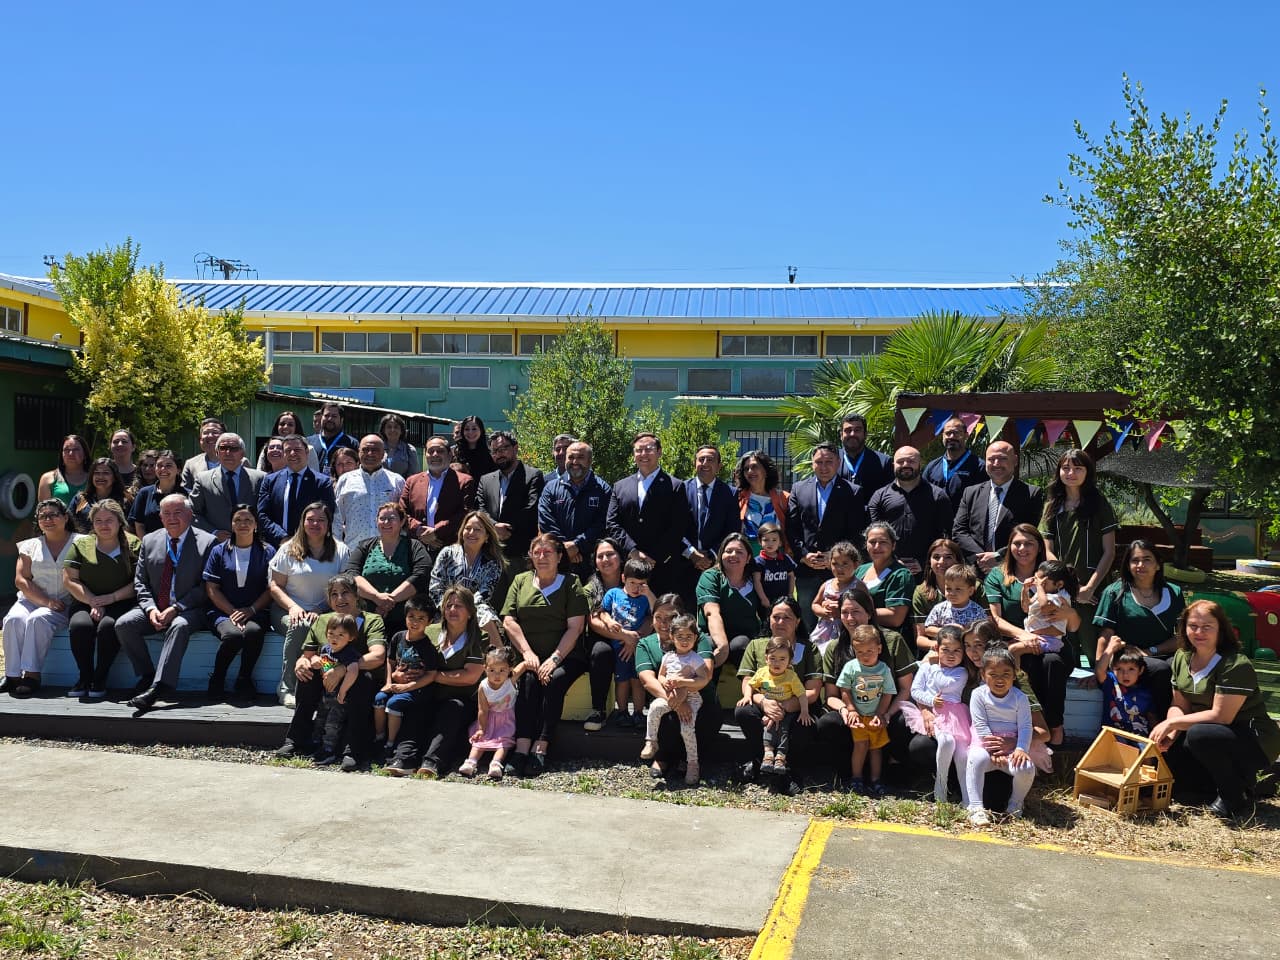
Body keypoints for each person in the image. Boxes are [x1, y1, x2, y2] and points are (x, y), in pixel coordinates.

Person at [1151, 600, 1280, 819]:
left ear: (1221, 629)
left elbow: (1222, 716)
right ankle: (1229, 785)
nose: (1199, 632)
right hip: (1211, 735)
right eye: (1193, 626)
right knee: (1180, 784)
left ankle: (1235, 796)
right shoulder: (1182, 658)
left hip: (1253, 738)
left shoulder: (1235, 664)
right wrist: (1171, 734)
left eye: (1207, 626)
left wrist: (1172, 723)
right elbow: (1179, 705)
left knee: (1199, 734)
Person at [115, 494, 217, 713]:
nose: (172, 518)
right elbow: (140, 582)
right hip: (154, 607)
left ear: (190, 515)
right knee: (124, 624)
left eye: (178, 512)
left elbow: (206, 587)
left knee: (179, 625)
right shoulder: (150, 540)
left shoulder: (207, 542)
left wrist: (176, 608)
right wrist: (151, 609)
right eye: (167, 513)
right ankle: (147, 676)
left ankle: (160, 687)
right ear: (160, 517)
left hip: (190, 609)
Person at [276, 574, 385, 769]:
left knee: (364, 679)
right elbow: (307, 655)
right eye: (334, 594)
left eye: (345, 593)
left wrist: (342, 669)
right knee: (307, 675)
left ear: (356, 595)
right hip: (326, 679)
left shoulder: (371, 620)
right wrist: (301, 663)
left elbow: (377, 656)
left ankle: (353, 749)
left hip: (356, 679)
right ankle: (296, 740)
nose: (340, 599)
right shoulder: (322, 620)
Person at [502, 534, 590, 776]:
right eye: (537, 552)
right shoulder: (520, 581)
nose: (542, 557)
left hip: (566, 655)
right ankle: (521, 749)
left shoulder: (572, 583)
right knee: (529, 681)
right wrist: (528, 653)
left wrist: (554, 659)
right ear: (530, 555)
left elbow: (576, 627)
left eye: (548, 552)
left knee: (553, 680)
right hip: (530, 655)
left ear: (559, 556)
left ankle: (541, 746)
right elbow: (509, 621)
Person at [984, 523, 1079, 746]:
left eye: (1029, 543)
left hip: (1052, 641)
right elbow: (995, 619)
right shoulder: (998, 576)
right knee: (1029, 665)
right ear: (1009, 547)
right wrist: (1025, 636)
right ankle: (1028, 728)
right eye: (1017, 543)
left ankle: (1054, 725)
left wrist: (1069, 612)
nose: (1022, 548)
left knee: (1052, 662)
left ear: (1039, 547)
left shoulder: (1051, 576)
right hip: (1014, 640)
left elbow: (1072, 625)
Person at [814, 585, 918, 786]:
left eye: (856, 612)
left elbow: (906, 689)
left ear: (869, 613)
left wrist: (885, 714)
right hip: (854, 709)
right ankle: (850, 772)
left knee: (903, 721)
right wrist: (846, 710)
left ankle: (891, 768)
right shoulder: (835, 647)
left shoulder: (892, 641)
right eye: (844, 612)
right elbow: (832, 695)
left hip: (885, 707)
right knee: (829, 723)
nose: (850, 618)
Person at [386, 585, 487, 778]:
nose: (452, 610)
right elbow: (403, 658)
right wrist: (398, 675)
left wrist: (432, 676)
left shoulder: (479, 638)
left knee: (452, 710)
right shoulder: (429, 632)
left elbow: (470, 676)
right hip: (425, 692)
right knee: (416, 707)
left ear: (470, 612)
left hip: (461, 698)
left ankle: (432, 762)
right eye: (448, 606)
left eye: (459, 606)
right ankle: (403, 758)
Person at [268, 501, 350, 707]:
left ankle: (325, 688)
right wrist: (293, 607)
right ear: (303, 522)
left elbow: (344, 588)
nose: (315, 524)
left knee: (322, 630)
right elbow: (275, 586)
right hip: (286, 609)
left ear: (329, 523)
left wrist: (322, 609)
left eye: (321, 520)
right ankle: (286, 687)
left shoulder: (341, 550)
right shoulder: (288, 549)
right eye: (310, 519)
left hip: (325, 611)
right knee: (300, 625)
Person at [735, 597, 823, 788]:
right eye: (776, 617)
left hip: (796, 705)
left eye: (787, 618)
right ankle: (761, 761)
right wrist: (764, 703)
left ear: (798, 621)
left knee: (804, 724)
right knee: (743, 711)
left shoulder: (809, 649)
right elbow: (748, 681)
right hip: (764, 703)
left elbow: (813, 691)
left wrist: (784, 706)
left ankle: (789, 768)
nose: (780, 622)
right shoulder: (756, 646)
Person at [1041, 447, 1117, 664]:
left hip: (1093, 590)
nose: (1071, 473)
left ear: (1088, 472)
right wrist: (1070, 586)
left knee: (1095, 648)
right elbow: (1048, 550)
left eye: (1077, 468)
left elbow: (1109, 551)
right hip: (1063, 589)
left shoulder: (1099, 504)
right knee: (1065, 646)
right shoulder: (1052, 506)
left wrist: (1089, 588)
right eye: (1066, 468)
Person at [1093, 538, 1184, 717]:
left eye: (1147, 559)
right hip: (1128, 657)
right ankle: (1158, 724)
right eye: (1135, 560)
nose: (1140, 565)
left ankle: (1180, 726)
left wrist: (1150, 651)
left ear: (1158, 565)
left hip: (1162, 653)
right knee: (1160, 669)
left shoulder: (1174, 592)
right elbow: (1105, 634)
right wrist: (1098, 668)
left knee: (1179, 667)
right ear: (1128, 565)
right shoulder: (1114, 592)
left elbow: (1181, 637)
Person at [635, 595, 719, 781]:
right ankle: (662, 756)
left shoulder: (698, 638)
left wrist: (683, 691)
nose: (664, 623)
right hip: (667, 697)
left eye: (671, 617)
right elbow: (648, 680)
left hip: (700, 697)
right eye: (659, 617)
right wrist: (677, 702)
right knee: (665, 713)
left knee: (696, 719)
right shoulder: (645, 643)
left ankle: (688, 760)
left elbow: (707, 673)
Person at [62, 499, 139, 698]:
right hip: (86, 601)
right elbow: (70, 579)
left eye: (109, 520)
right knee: (80, 626)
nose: (103, 525)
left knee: (108, 626)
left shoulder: (133, 544)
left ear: (120, 522)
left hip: (122, 602)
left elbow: (140, 582)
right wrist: (92, 601)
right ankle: (84, 677)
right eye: (98, 521)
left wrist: (110, 598)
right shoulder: (81, 544)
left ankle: (100, 677)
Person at [787, 442, 869, 627]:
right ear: (812, 463)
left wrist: (834, 557)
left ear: (838, 462)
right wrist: (803, 555)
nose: (824, 467)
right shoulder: (798, 489)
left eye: (829, 462)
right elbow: (791, 528)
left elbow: (856, 531)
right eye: (819, 462)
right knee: (807, 617)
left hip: (840, 570)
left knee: (841, 619)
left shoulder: (853, 491)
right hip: (807, 568)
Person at [2, 499, 76, 696]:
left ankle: (32, 676)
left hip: (64, 603)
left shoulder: (81, 542)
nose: (47, 519)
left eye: (53, 515)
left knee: (38, 619)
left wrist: (51, 604)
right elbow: (21, 579)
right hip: (30, 599)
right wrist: (45, 601)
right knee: (13, 619)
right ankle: (12, 676)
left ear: (65, 518)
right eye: (42, 516)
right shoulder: (30, 545)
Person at [202, 504, 275, 700]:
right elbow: (212, 588)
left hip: (256, 610)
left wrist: (251, 610)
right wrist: (232, 611)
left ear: (256, 525)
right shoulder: (218, 551)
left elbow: (272, 588)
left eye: (248, 520)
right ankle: (217, 678)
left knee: (253, 631)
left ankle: (244, 678)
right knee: (233, 636)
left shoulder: (268, 552)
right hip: (222, 610)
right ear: (232, 525)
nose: (243, 524)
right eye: (238, 520)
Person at [606, 432, 691, 598]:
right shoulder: (620, 486)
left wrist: (654, 556)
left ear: (659, 452)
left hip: (662, 566)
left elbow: (678, 526)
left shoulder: (675, 486)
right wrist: (633, 551)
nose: (643, 454)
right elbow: (612, 523)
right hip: (628, 564)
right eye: (639, 450)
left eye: (648, 449)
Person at [965, 643, 1037, 825]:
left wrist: (1020, 748)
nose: (1000, 679)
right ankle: (975, 807)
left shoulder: (1020, 698)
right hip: (985, 744)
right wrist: (994, 751)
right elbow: (980, 725)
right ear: (983, 675)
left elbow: (1026, 727)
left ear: (1014, 675)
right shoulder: (978, 695)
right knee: (976, 758)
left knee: (1026, 768)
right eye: (993, 674)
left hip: (1011, 746)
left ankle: (1015, 805)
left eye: (1006, 674)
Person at [899, 625, 973, 802]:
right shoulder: (927, 668)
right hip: (934, 712)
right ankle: (940, 785)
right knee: (946, 741)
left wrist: (928, 665)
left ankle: (968, 797)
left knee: (962, 753)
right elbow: (915, 691)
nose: (951, 655)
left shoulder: (961, 672)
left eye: (957, 650)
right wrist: (931, 700)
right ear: (937, 648)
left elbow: (945, 684)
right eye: (945, 650)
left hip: (955, 715)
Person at [952, 441, 1044, 572]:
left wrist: (998, 557)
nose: (996, 463)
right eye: (991, 459)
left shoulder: (1031, 494)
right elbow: (959, 531)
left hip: (1012, 569)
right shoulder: (970, 493)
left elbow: (1031, 535)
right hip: (974, 570)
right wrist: (983, 559)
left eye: (1002, 458)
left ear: (1015, 460)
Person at [346, 501, 432, 636]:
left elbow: (422, 574)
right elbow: (351, 574)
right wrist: (376, 597)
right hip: (368, 620)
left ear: (402, 521)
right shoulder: (365, 546)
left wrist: (389, 600)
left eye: (391, 519)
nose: (386, 522)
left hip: (406, 624)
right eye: (382, 518)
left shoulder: (414, 546)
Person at [866, 446, 953, 578]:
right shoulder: (879, 496)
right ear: (893, 465)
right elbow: (874, 536)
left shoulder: (938, 496)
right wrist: (893, 561)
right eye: (900, 461)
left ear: (920, 464)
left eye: (911, 461)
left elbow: (946, 536)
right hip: (888, 569)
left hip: (928, 571)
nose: (906, 465)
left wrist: (925, 562)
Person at [428, 510, 507, 648]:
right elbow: (435, 586)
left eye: (477, 530)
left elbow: (484, 594)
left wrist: (464, 609)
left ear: (487, 536)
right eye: (468, 528)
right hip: (445, 608)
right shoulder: (447, 553)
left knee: (486, 615)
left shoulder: (492, 562)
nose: (471, 533)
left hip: (475, 609)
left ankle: (500, 660)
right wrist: (448, 607)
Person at [579, 538, 633, 732]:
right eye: (600, 556)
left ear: (620, 557)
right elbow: (593, 622)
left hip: (634, 635)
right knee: (600, 652)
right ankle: (599, 710)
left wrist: (635, 638)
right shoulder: (590, 587)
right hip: (603, 636)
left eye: (610, 554)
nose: (605, 559)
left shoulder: (633, 579)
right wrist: (623, 637)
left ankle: (640, 712)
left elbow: (651, 613)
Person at [537, 440, 612, 580]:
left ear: (590, 461)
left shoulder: (603, 489)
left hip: (590, 564)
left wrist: (577, 545)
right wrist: (564, 548)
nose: (575, 461)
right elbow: (545, 520)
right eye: (570, 457)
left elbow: (603, 523)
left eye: (580, 457)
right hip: (557, 560)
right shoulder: (550, 488)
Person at [836, 624, 897, 797]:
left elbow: (887, 693)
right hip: (858, 716)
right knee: (860, 746)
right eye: (860, 652)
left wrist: (881, 713)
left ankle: (876, 779)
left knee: (876, 748)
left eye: (870, 651)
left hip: (875, 716)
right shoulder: (851, 667)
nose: (865, 656)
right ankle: (856, 778)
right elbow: (845, 690)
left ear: (879, 648)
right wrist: (851, 709)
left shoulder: (883, 669)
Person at [373, 596, 437, 755]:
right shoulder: (398, 637)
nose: (415, 622)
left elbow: (431, 674)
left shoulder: (428, 647)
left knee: (394, 703)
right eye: (411, 617)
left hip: (416, 688)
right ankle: (379, 736)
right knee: (379, 698)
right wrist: (389, 681)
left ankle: (390, 743)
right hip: (396, 683)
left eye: (421, 618)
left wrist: (407, 686)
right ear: (405, 617)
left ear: (429, 622)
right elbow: (390, 660)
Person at [475, 430, 545, 577]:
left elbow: (531, 510)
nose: (499, 454)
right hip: (491, 554)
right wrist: (494, 527)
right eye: (495, 451)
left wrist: (506, 529)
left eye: (503, 449)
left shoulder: (533, 475)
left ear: (515, 448)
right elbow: (480, 510)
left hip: (520, 554)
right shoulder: (485, 480)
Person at [401, 435, 477, 560]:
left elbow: (464, 514)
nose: (435, 454)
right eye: (431, 451)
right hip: (417, 550)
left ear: (449, 454)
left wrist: (436, 532)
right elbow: (402, 512)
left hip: (451, 550)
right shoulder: (412, 481)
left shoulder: (464, 481)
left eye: (440, 451)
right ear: (426, 455)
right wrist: (419, 530)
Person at [599, 556, 654, 727]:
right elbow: (601, 612)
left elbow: (656, 612)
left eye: (641, 584)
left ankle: (638, 713)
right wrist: (608, 621)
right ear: (623, 578)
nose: (637, 588)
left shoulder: (646, 598)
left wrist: (648, 591)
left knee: (638, 681)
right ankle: (621, 711)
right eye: (632, 583)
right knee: (621, 680)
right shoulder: (613, 594)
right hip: (619, 647)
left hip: (639, 648)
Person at [749, 635, 812, 782]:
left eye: (782, 659)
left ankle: (781, 756)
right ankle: (768, 753)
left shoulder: (791, 676)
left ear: (790, 660)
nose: (777, 663)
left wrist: (804, 711)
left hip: (787, 709)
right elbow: (751, 685)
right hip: (768, 707)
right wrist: (748, 696)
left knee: (784, 729)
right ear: (766, 658)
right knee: (768, 726)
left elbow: (802, 694)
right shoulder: (763, 672)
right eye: (773, 658)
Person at [696, 532, 763, 669]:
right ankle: (705, 689)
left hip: (743, 634)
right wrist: (722, 645)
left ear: (748, 557)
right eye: (728, 551)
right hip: (713, 634)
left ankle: (751, 689)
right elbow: (712, 612)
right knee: (709, 647)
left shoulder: (755, 580)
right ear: (721, 555)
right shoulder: (711, 577)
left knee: (742, 646)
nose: (733, 555)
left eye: (739, 552)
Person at [681, 445, 739, 601]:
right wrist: (691, 553)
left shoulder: (730, 493)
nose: (705, 463)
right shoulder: (680, 489)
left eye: (710, 460)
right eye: (701, 459)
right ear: (695, 464)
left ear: (719, 466)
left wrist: (712, 554)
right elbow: (675, 527)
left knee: (712, 609)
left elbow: (732, 530)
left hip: (715, 565)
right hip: (684, 564)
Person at [459, 645, 524, 780]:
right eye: (492, 670)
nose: (497, 675)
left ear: (510, 669)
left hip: (506, 719)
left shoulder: (510, 681)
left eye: (502, 670)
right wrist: (481, 728)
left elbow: (523, 666)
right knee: (480, 740)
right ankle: (470, 762)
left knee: (503, 742)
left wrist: (533, 664)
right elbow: (483, 709)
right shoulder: (483, 686)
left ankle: (496, 763)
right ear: (485, 669)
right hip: (488, 718)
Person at [258, 435, 336, 546]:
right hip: (277, 545)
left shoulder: (322, 482)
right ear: (284, 454)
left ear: (307, 452)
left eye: (297, 450)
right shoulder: (270, 481)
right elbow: (262, 514)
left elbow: (327, 515)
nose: (292, 453)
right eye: (288, 450)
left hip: (310, 546)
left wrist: (302, 539)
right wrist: (283, 537)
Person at [189, 433, 265, 543]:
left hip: (251, 543)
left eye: (234, 449)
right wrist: (213, 532)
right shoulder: (203, 479)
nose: (228, 453)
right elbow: (193, 513)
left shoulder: (259, 478)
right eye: (223, 448)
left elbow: (265, 513)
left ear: (242, 454)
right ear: (217, 453)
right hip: (216, 544)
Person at [333, 435, 406, 547]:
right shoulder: (345, 480)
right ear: (358, 452)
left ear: (383, 453)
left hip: (389, 551)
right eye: (365, 450)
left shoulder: (397, 481)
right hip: (353, 551)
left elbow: (403, 517)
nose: (370, 454)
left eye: (375, 450)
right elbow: (336, 518)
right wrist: (337, 547)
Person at [313, 614, 364, 764]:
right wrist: (319, 664)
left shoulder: (348, 652)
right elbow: (326, 668)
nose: (335, 638)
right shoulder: (326, 649)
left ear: (351, 637)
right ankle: (316, 743)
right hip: (326, 694)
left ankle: (329, 750)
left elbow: (353, 669)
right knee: (320, 718)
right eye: (331, 634)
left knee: (332, 724)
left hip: (339, 697)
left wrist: (343, 691)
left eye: (341, 635)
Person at [1010, 560, 1077, 658]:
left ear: (1059, 585)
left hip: (1049, 640)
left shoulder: (1060, 598)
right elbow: (1026, 608)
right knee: (1006, 648)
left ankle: (1018, 674)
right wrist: (1025, 589)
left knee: (1013, 650)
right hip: (1035, 637)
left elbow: (1045, 608)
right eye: (1037, 579)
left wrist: (1039, 587)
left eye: (1044, 583)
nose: (1038, 584)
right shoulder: (1042, 593)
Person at [856, 522, 914, 633]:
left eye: (883, 542)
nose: (877, 547)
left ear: (893, 545)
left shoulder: (900, 574)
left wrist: (856, 613)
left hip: (884, 638)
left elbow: (895, 618)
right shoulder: (860, 570)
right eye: (872, 542)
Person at [922, 417, 987, 510]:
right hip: (935, 523)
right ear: (942, 436)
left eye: (956, 433)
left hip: (965, 523)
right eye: (948, 433)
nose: (952, 436)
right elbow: (922, 496)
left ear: (966, 435)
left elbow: (983, 501)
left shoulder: (979, 466)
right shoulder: (932, 467)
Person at [920, 564, 989, 652]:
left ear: (971, 591)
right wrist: (946, 630)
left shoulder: (977, 611)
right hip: (943, 652)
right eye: (948, 589)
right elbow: (928, 629)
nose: (952, 593)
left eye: (958, 589)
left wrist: (963, 632)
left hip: (967, 653)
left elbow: (983, 633)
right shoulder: (940, 608)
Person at [1094, 640, 1155, 735]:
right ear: (1112, 669)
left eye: (1131, 669)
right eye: (1119, 669)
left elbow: (1152, 717)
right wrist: (1110, 648)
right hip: (1113, 734)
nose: (1125, 674)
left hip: (1139, 736)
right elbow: (1100, 670)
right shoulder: (1111, 682)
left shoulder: (1146, 691)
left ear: (1140, 670)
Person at [809, 541, 861, 653]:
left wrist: (841, 612)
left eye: (845, 563)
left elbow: (867, 608)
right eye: (835, 564)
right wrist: (823, 611)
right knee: (819, 653)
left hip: (848, 629)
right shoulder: (827, 584)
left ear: (856, 564)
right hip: (825, 630)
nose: (839, 568)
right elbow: (815, 604)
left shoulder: (858, 586)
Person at [735, 450, 789, 555]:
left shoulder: (784, 498)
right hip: (747, 559)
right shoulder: (737, 497)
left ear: (766, 470)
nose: (750, 471)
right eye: (746, 469)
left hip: (775, 560)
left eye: (755, 467)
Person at [129, 450, 186, 538]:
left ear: (178, 470)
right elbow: (139, 525)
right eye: (159, 465)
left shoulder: (186, 495)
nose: (163, 469)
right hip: (151, 548)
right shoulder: (144, 493)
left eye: (168, 465)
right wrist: (148, 546)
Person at [911, 538, 962, 627]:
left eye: (948, 557)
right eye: (936, 557)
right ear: (929, 562)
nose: (942, 562)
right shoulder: (921, 592)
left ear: (957, 561)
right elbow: (920, 637)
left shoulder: (974, 586)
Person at [70, 459, 129, 534]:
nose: (100, 477)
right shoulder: (79, 499)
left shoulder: (125, 500)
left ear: (114, 477)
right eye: (96, 473)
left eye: (106, 473)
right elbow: (69, 525)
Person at [837, 413, 893, 492]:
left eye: (857, 430)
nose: (852, 434)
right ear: (841, 435)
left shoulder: (883, 462)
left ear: (865, 434)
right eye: (848, 430)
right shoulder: (830, 460)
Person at [307, 402, 359, 476]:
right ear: (321, 418)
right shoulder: (308, 442)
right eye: (326, 415)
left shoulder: (352, 443)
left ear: (341, 420)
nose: (330, 419)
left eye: (334, 416)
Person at [751, 522, 796, 609]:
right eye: (766, 540)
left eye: (774, 540)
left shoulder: (785, 558)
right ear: (760, 541)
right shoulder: (757, 562)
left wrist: (790, 594)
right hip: (766, 602)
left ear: (780, 542)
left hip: (784, 601)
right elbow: (757, 581)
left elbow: (791, 576)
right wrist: (763, 599)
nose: (770, 543)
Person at [38, 434, 90, 506]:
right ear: (61, 454)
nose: (71, 453)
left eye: (76, 449)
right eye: (66, 449)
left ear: (85, 454)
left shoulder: (94, 477)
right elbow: (43, 511)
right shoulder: (48, 478)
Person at [181, 417, 226, 490]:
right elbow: (185, 492)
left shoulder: (240, 462)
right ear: (200, 439)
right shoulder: (191, 464)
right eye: (206, 433)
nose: (210, 436)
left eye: (215, 432)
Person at [452, 415, 496, 480]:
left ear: (481, 431)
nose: (470, 432)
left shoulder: (490, 455)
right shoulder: (454, 453)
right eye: (467, 429)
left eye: (474, 429)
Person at [378, 413, 419, 479]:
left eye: (396, 427)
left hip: (402, 488)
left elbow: (413, 476)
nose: (392, 430)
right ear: (383, 430)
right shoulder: (377, 447)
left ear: (401, 431)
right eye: (389, 427)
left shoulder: (410, 450)